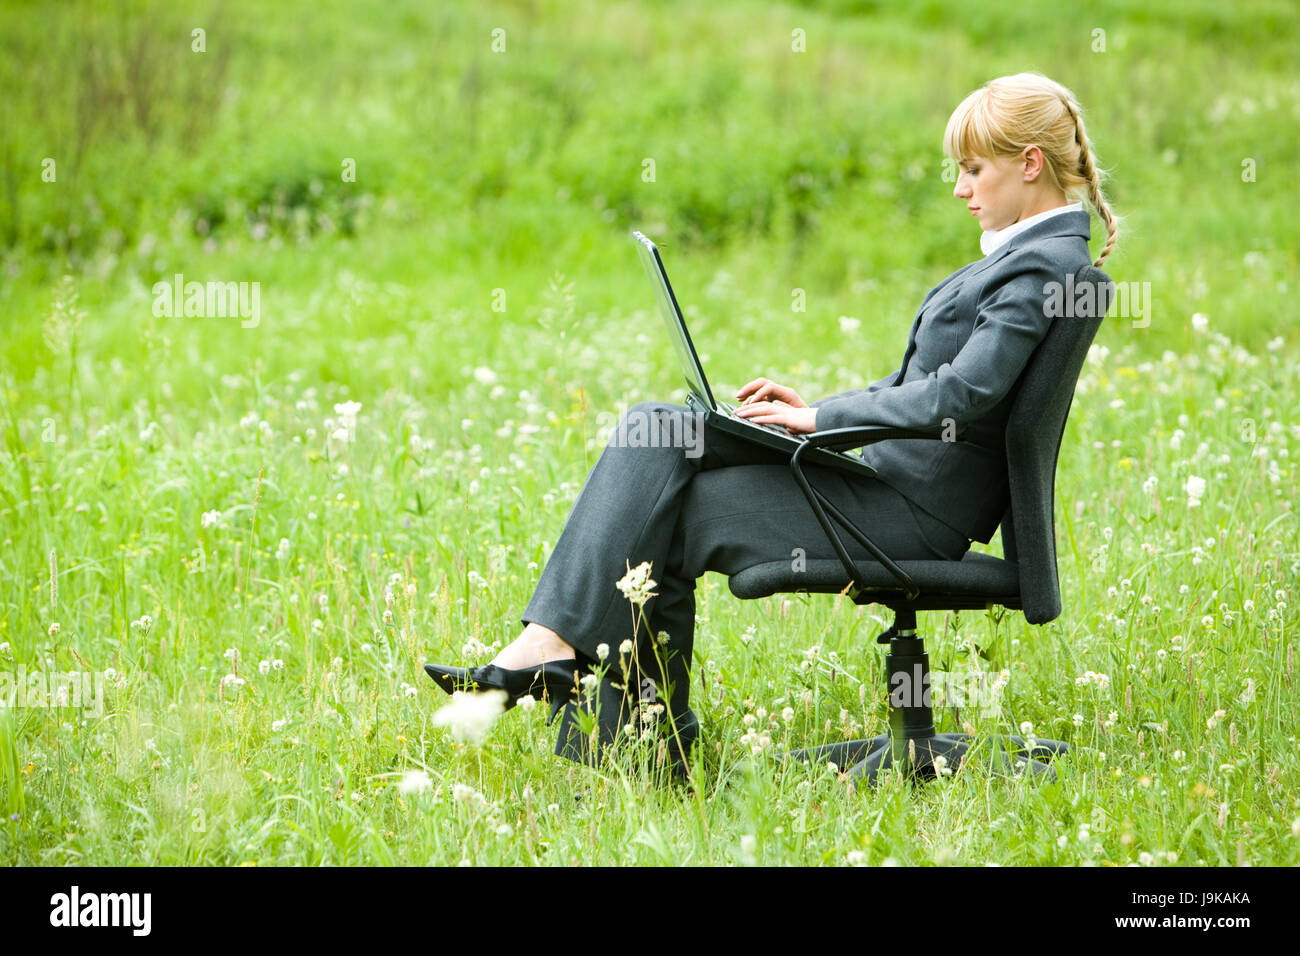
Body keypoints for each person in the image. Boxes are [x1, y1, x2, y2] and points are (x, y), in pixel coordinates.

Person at [425, 71, 1119, 770]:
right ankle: (585, 683)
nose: (961, 189)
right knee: (659, 427)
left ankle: (627, 734)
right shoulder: (1029, 259)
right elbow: (922, 388)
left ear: (1030, 164)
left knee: (674, 502)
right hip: (884, 486)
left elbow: (958, 395)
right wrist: (807, 412)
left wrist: (821, 419)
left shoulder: (1038, 269)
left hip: (908, 516)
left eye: (973, 169)